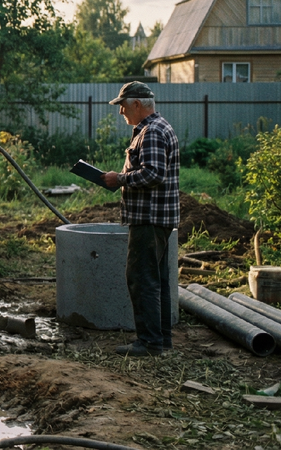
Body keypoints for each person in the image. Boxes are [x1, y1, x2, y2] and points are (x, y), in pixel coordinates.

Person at [103, 81, 180, 357]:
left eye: (123, 106)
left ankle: (149, 343)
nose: (121, 111)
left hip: (149, 217)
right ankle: (162, 340)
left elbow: (153, 173)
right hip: (156, 216)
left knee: (141, 277)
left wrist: (119, 178)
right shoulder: (157, 128)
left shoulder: (152, 132)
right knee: (156, 279)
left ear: (137, 104)